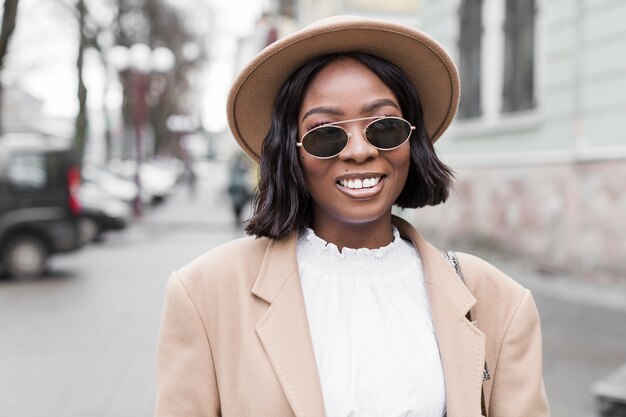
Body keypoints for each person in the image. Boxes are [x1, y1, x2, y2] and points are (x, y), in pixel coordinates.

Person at [155, 16, 550, 417]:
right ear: (290, 151)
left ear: (413, 141)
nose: (360, 150)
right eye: (325, 133)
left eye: (384, 127)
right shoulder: (205, 294)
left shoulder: (499, 302)